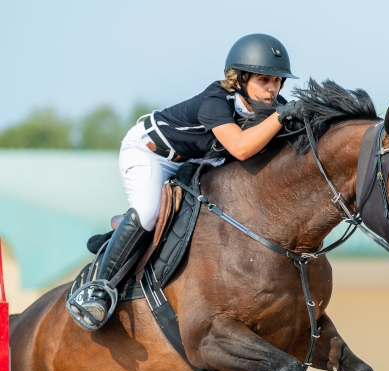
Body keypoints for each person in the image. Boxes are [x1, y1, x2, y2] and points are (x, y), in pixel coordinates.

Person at [67, 34, 304, 331]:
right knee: (150, 211)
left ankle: (127, 234)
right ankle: (99, 289)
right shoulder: (215, 101)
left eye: (278, 82)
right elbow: (241, 148)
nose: (273, 89)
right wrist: (283, 116)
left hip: (196, 162)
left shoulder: (271, 107)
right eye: (264, 80)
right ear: (240, 78)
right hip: (152, 152)